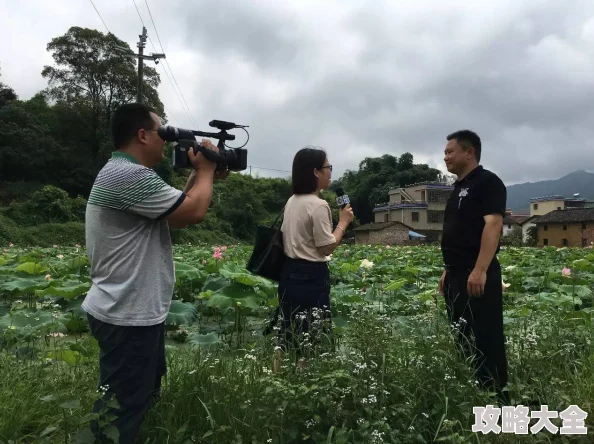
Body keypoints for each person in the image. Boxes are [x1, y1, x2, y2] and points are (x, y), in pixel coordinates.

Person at [82, 102, 227, 443]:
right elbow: (192, 213)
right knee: (122, 411)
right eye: (162, 132)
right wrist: (206, 171)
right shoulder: (128, 176)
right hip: (126, 311)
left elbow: (175, 214)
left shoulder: (123, 174)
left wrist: (201, 174)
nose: (166, 140)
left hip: (129, 310)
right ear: (143, 135)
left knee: (133, 399)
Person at [438, 129, 510, 405]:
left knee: (486, 340)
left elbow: (492, 225)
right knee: (463, 339)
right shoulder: (457, 188)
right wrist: (448, 268)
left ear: (470, 152)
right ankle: (473, 399)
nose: (445, 157)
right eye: (445, 152)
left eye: (450, 151)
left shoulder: (487, 182)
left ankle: (498, 405)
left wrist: (480, 269)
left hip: (477, 274)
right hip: (456, 274)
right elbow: (459, 232)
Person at [273, 147, 354, 373]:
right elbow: (326, 245)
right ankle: (305, 382)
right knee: (311, 334)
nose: (330, 173)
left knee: (288, 330)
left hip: (288, 273)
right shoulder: (318, 205)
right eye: (328, 168)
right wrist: (343, 222)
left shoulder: (292, 201)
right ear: (316, 172)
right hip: (311, 276)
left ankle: (278, 377)